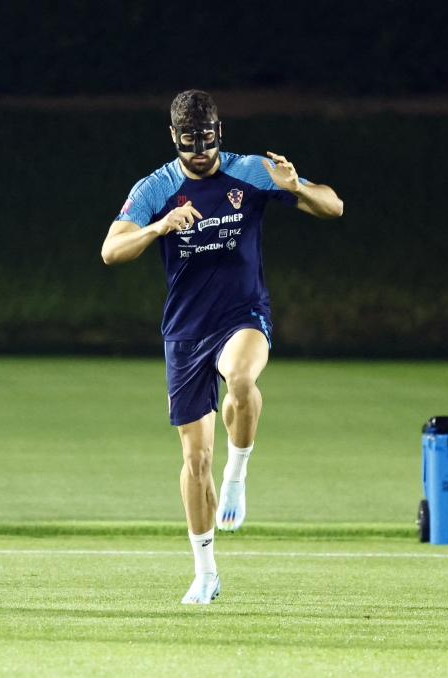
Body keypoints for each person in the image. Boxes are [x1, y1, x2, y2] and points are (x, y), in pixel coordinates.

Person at [101, 90, 343, 604]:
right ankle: (206, 571)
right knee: (194, 461)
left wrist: (295, 183)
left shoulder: (251, 171)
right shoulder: (156, 188)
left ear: (218, 132)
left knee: (243, 377)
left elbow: (333, 206)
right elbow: (110, 250)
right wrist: (159, 226)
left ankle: (239, 472)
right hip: (186, 331)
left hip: (242, 315)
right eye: (189, 144)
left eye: (207, 141)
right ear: (174, 139)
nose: (200, 153)